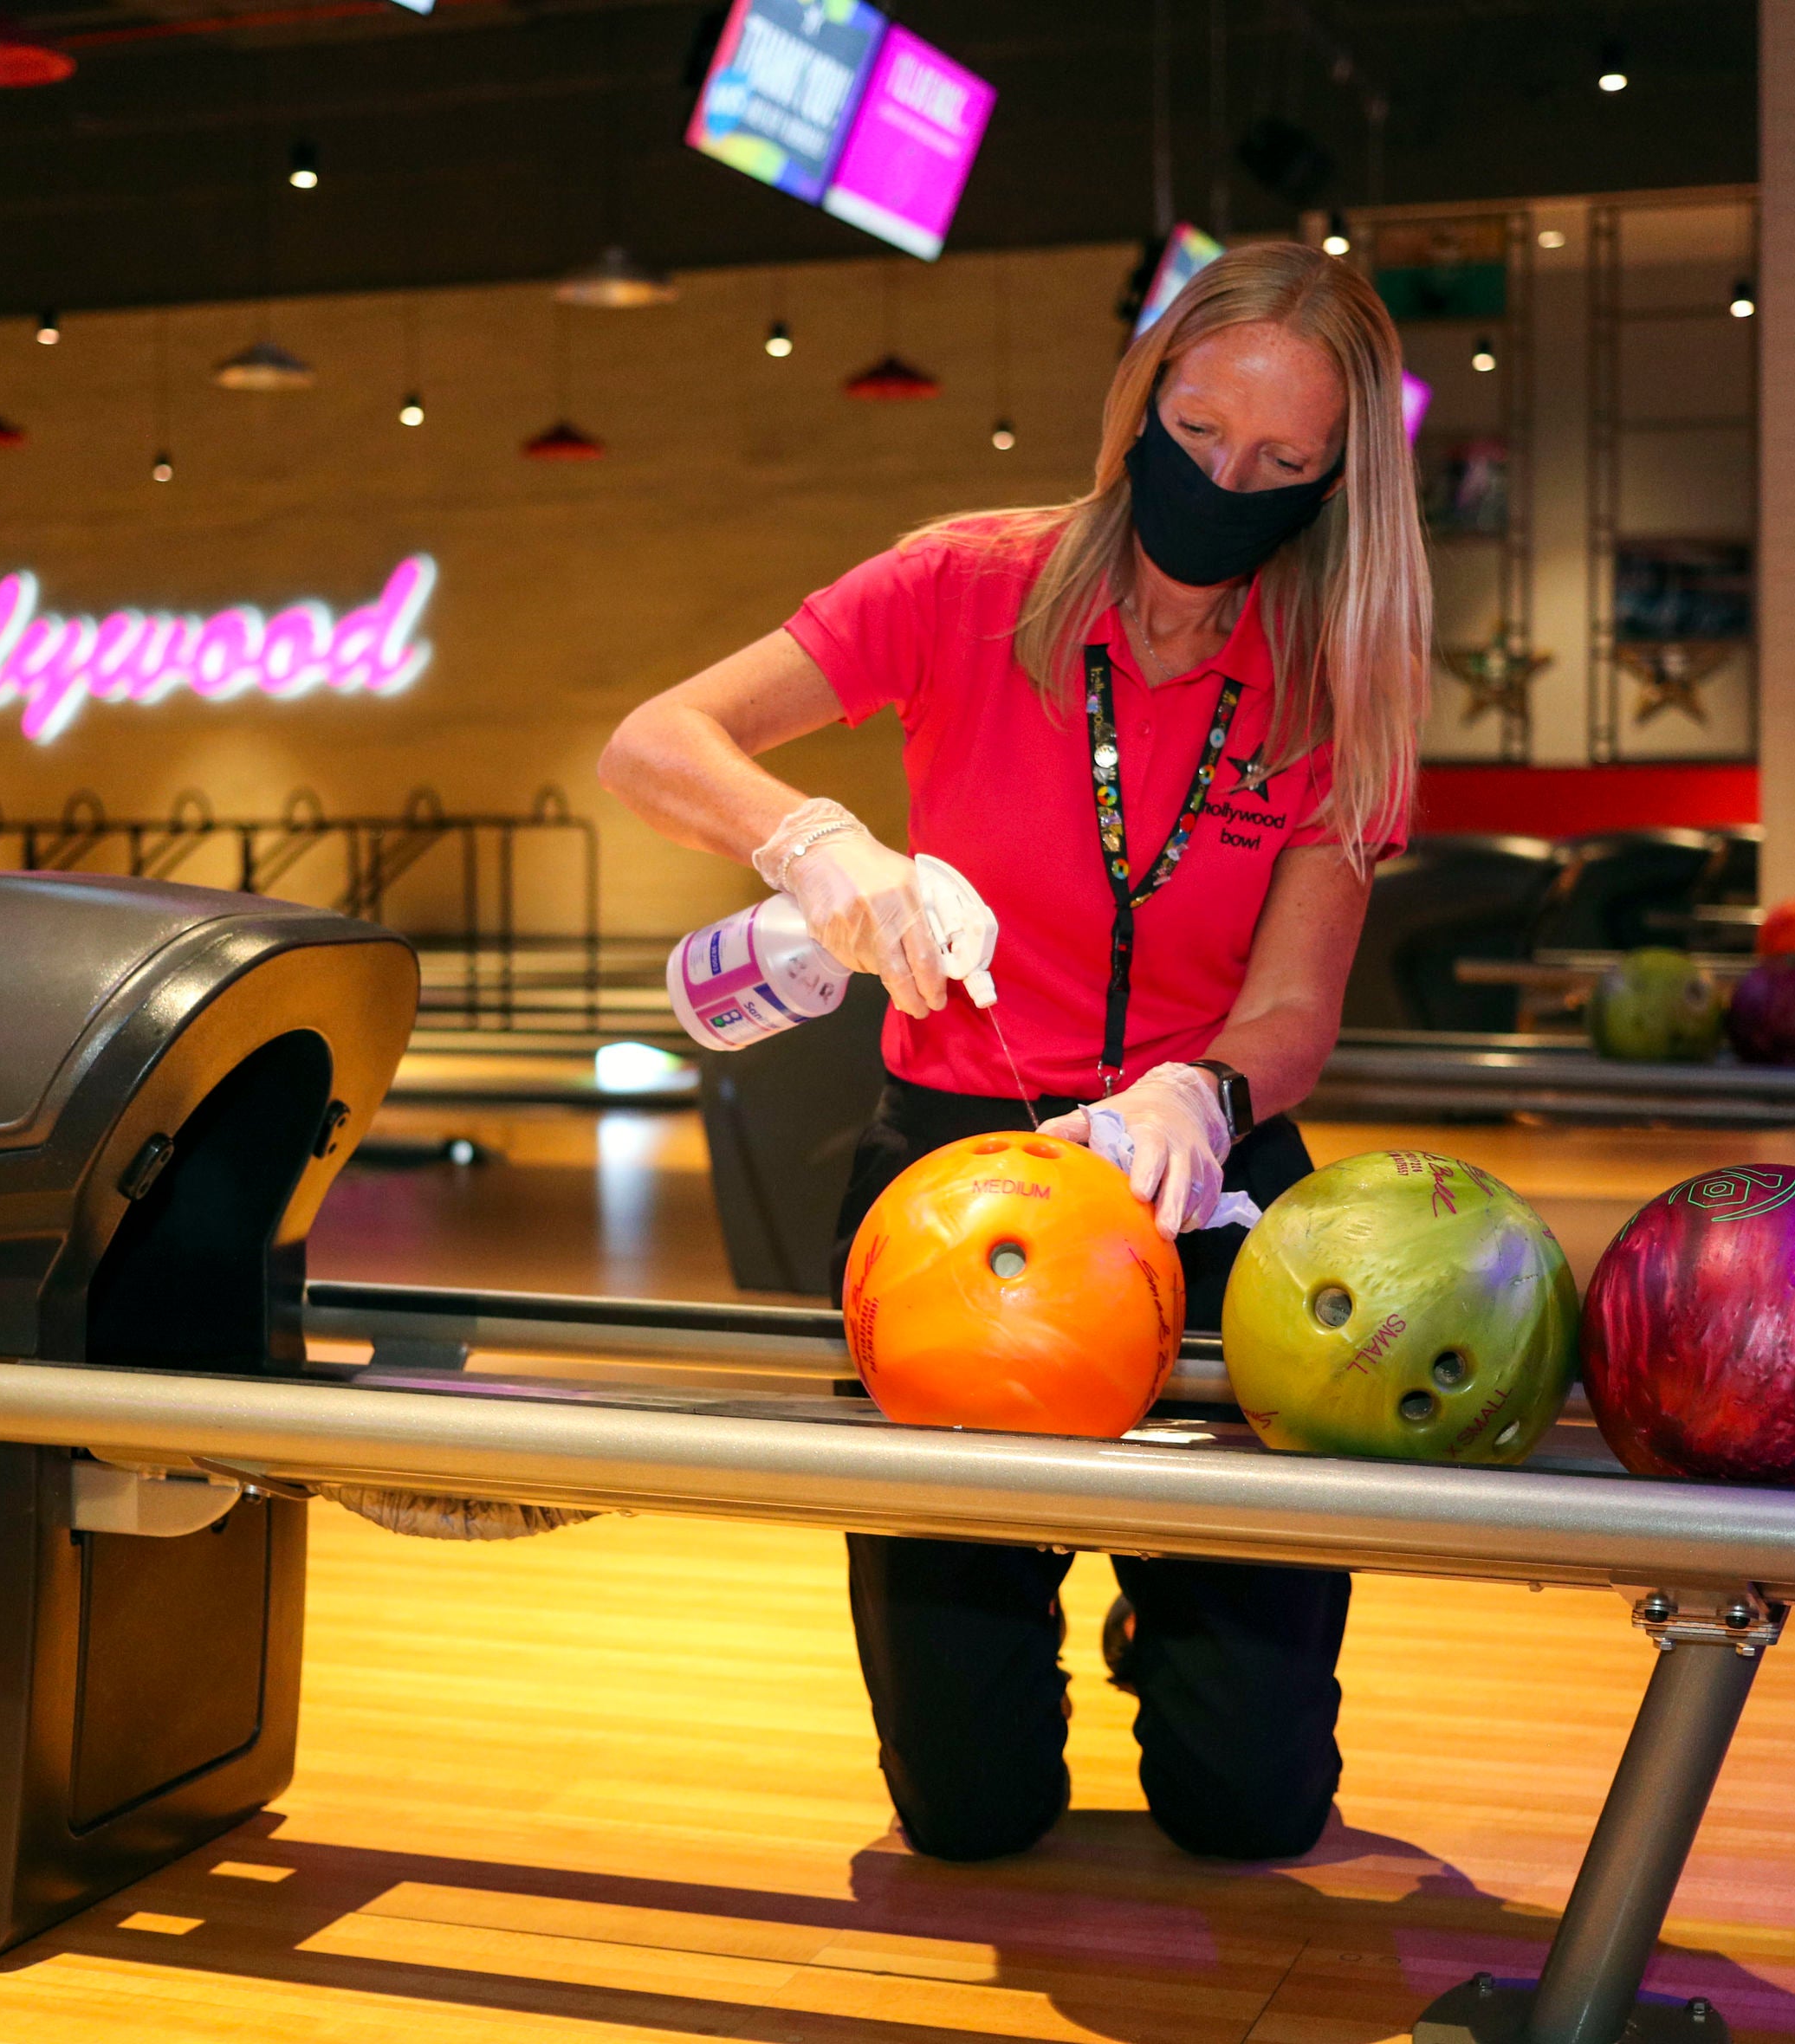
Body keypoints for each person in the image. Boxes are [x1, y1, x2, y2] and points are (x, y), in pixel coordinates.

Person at [599, 241, 1429, 1863]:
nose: (1225, 482)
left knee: (1249, 1813)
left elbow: (1298, 1003)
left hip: (1203, 1179)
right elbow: (656, 740)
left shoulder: (1347, 675)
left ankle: (1172, 1619)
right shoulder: (966, 583)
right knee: (967, 1818)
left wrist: (1207, 1091)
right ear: (1139, 405)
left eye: (1280, 464)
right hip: (952, 1170)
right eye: (1195, 437)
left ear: (1339, 482)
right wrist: (819, 846)